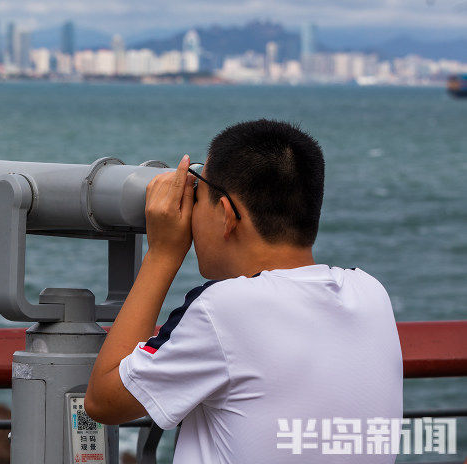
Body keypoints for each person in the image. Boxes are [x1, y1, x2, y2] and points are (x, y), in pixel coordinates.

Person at [85, 119, 403, 463]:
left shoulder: (223, 309)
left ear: (226, 214)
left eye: (199, 194)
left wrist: (162, 253)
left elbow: (104, 401)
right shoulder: (371, 293)